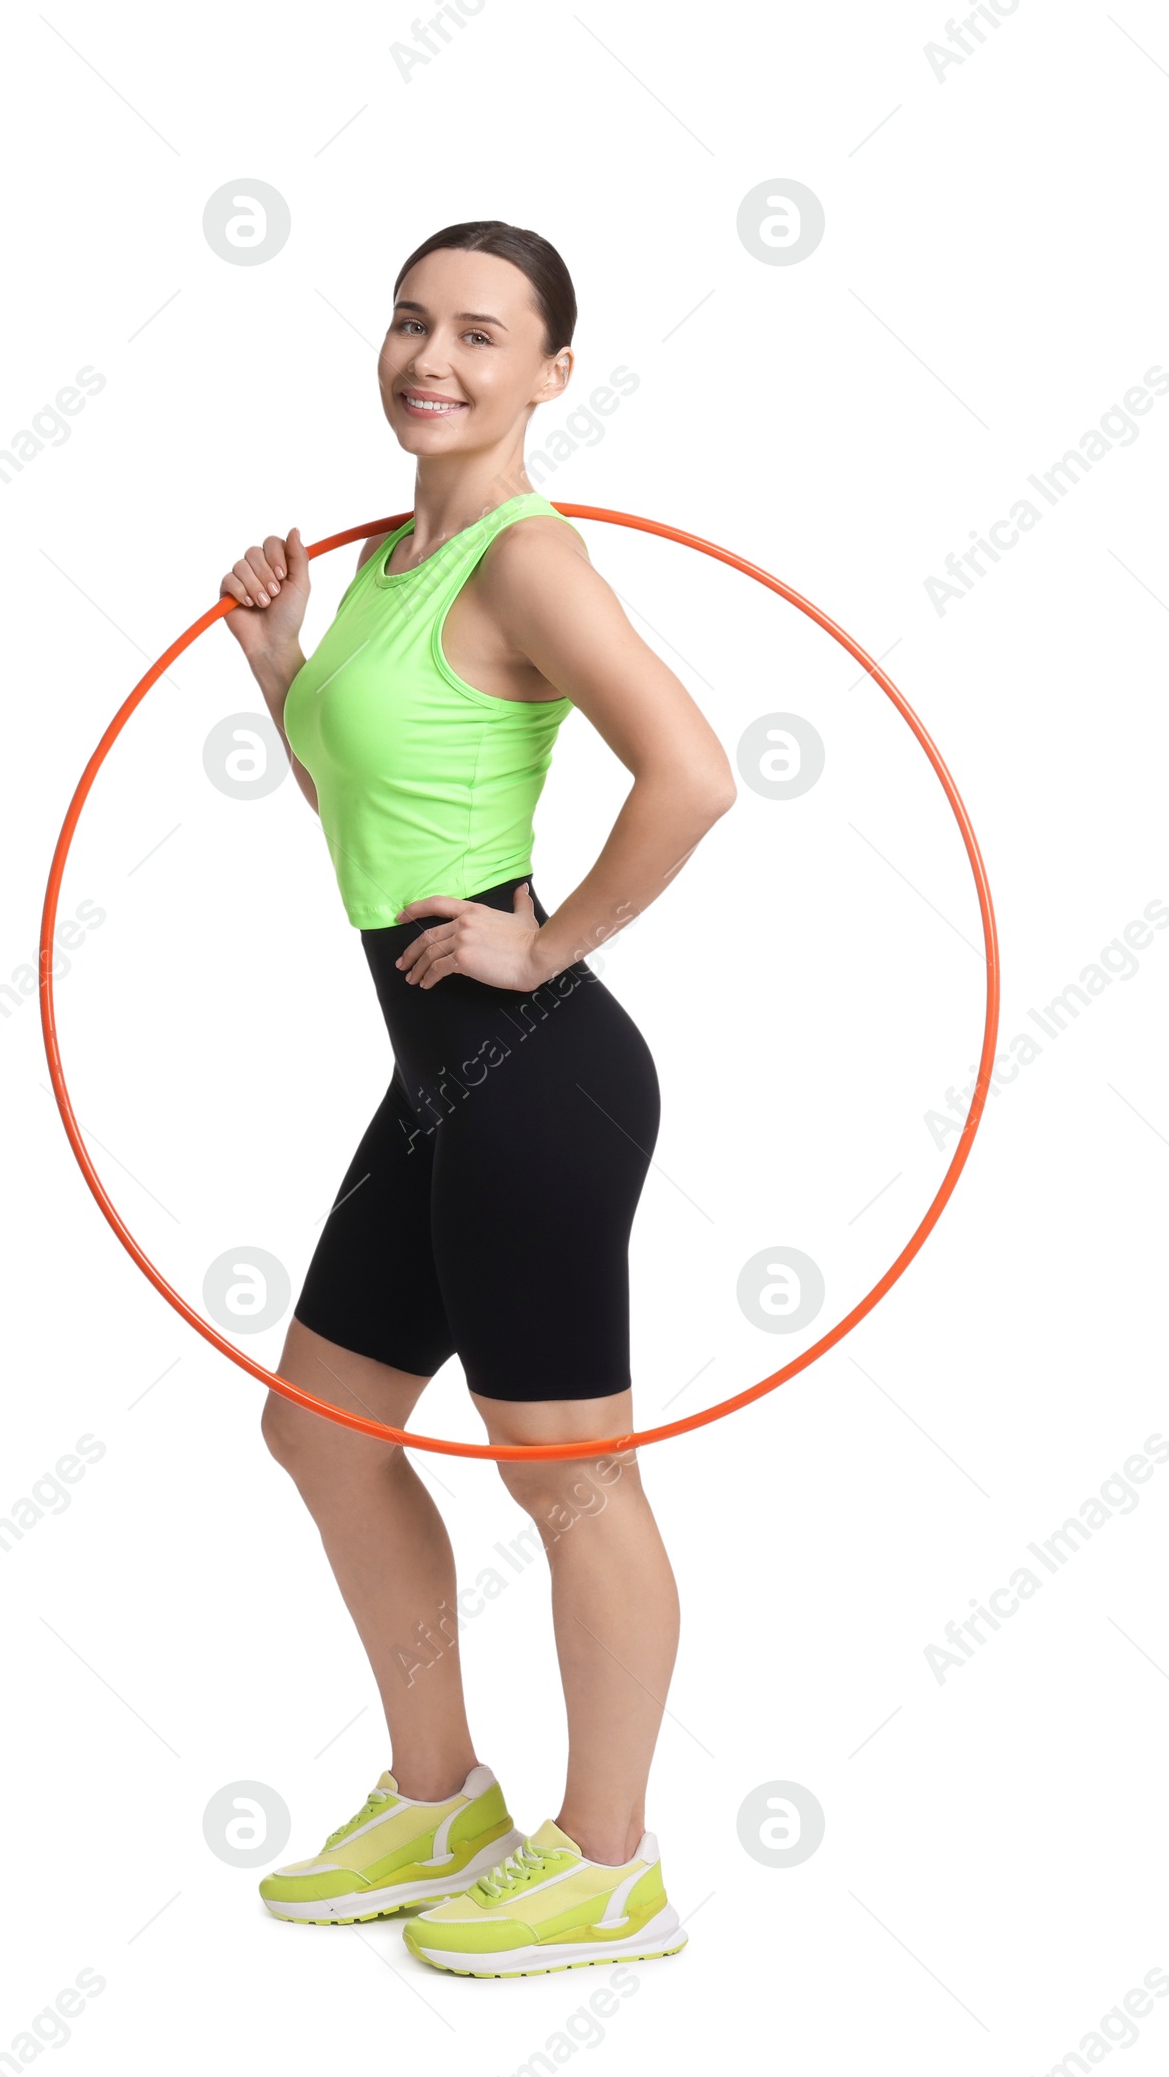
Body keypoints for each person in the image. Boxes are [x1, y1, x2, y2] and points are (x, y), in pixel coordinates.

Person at [218, 220, 734, 1977]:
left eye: (481, 336)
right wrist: (282, 663)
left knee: (570, 1479)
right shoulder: (385, 568)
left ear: (550, 374)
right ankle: (439, 1797)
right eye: (411, 323)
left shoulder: (527, 558)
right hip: (437, 1071)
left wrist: (546, 943)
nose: (432, 358)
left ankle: (610, 1857)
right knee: (320, 1429)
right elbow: (376, 813)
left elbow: (694, 773)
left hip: (534, 1076)